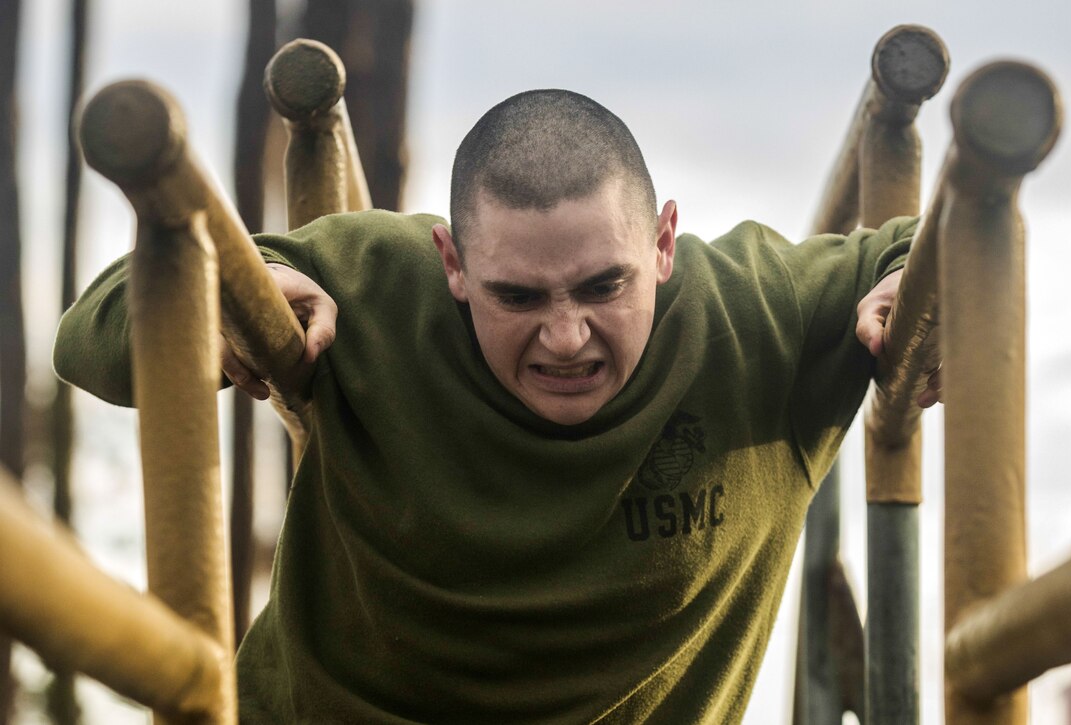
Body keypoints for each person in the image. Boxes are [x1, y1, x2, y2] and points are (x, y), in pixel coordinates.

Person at [54, 89, 936, 723]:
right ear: (453, 264)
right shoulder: (372, 281)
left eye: (603, 285)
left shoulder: (754, 315)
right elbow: (91, 330)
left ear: (664, 242)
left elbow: (919, 250)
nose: (566, 336)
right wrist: (229, 305)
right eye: (518, 296)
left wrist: (918, 301)